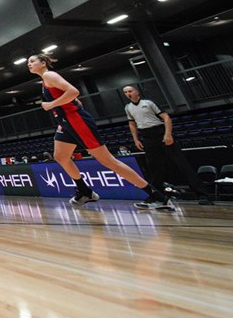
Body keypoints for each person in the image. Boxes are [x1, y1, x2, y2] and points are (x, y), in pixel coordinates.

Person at [28, 54, 174, 210]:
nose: (29, 64)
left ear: (43, 63)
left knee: (108, 161)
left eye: (32, 61)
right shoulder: (45, 80)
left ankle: (158, 197)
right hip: (66, 122)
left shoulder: (49, 75)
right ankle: (85, 191)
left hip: (76, 121)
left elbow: (73, 92)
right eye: (28, 62)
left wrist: (51, 105)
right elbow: (76, 101)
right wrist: (62, 117)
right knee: (60, 156)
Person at [123, 85, 213, 205]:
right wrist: (136, 139)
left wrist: (168, 134)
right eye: (125, 92)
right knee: (153, 168)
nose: (128, 93)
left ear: (136, 92)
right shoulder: (128, 107)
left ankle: (203, 195)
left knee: (181, 164)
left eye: (130, 91)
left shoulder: (149, 103)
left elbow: (166, 117)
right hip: (147, 137)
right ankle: (156, 196)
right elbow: (132, 124)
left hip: (160, 133)